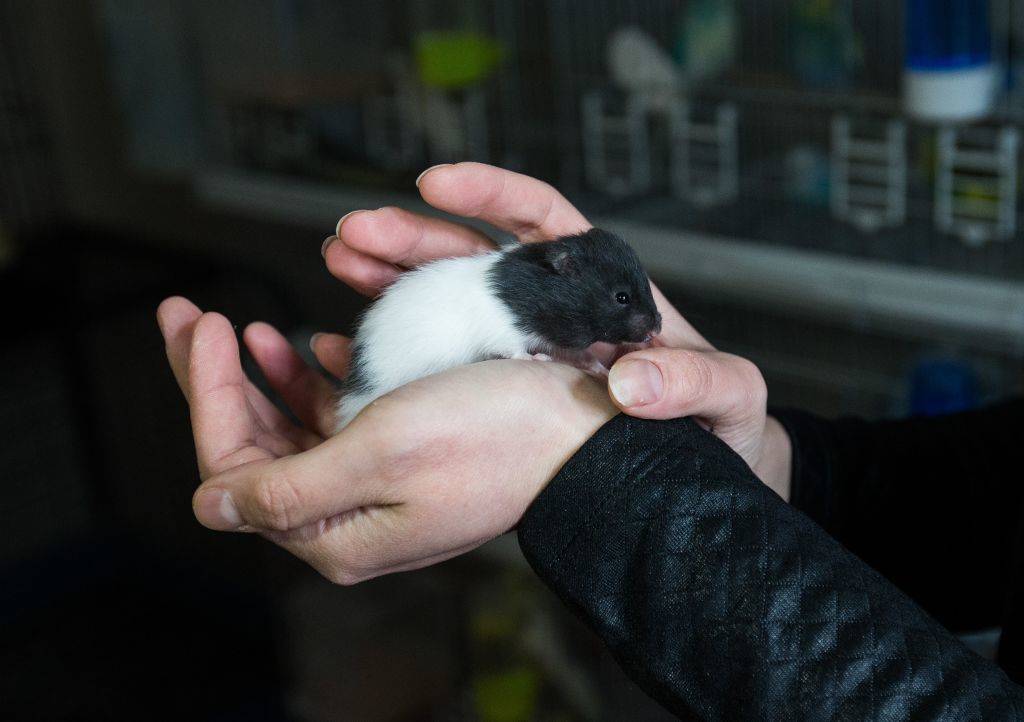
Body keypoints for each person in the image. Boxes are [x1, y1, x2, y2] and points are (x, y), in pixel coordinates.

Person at [158, 163, 1024, 719]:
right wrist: (772, 464)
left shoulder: (533, 295)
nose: (643, 324)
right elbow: (990, 491)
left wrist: (594, 462)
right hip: (411, 367)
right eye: (624, 305)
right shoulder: (510, 297)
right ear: (560, 274)